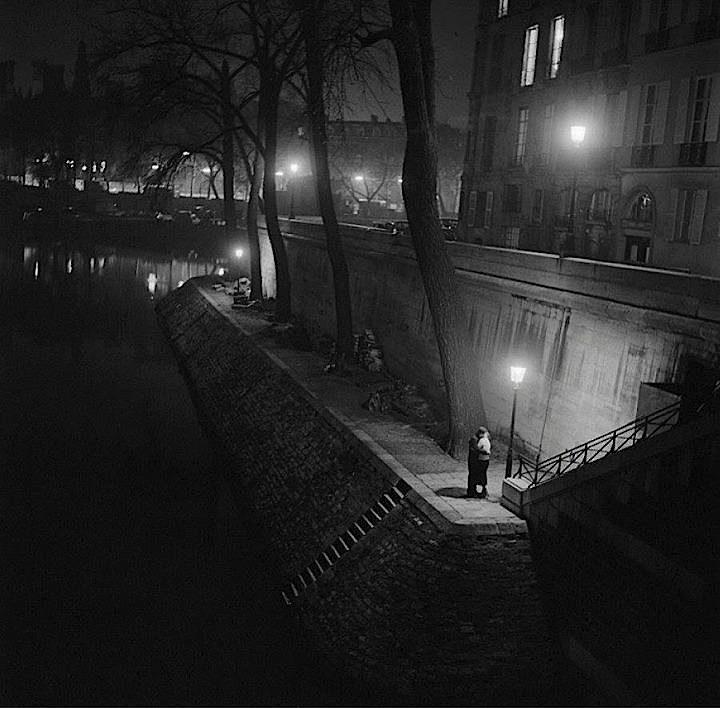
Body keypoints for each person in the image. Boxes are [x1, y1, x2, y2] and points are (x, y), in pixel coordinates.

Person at [467, 427, 491, 498]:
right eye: (483, 434)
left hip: (476, 460)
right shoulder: (474, 439)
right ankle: (471, 491)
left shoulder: (477, 438)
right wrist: (484, 451)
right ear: (480, 433)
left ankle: (474, 491)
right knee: (472, 475)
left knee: (475, 476)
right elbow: (475, 448)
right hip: (473, 460)